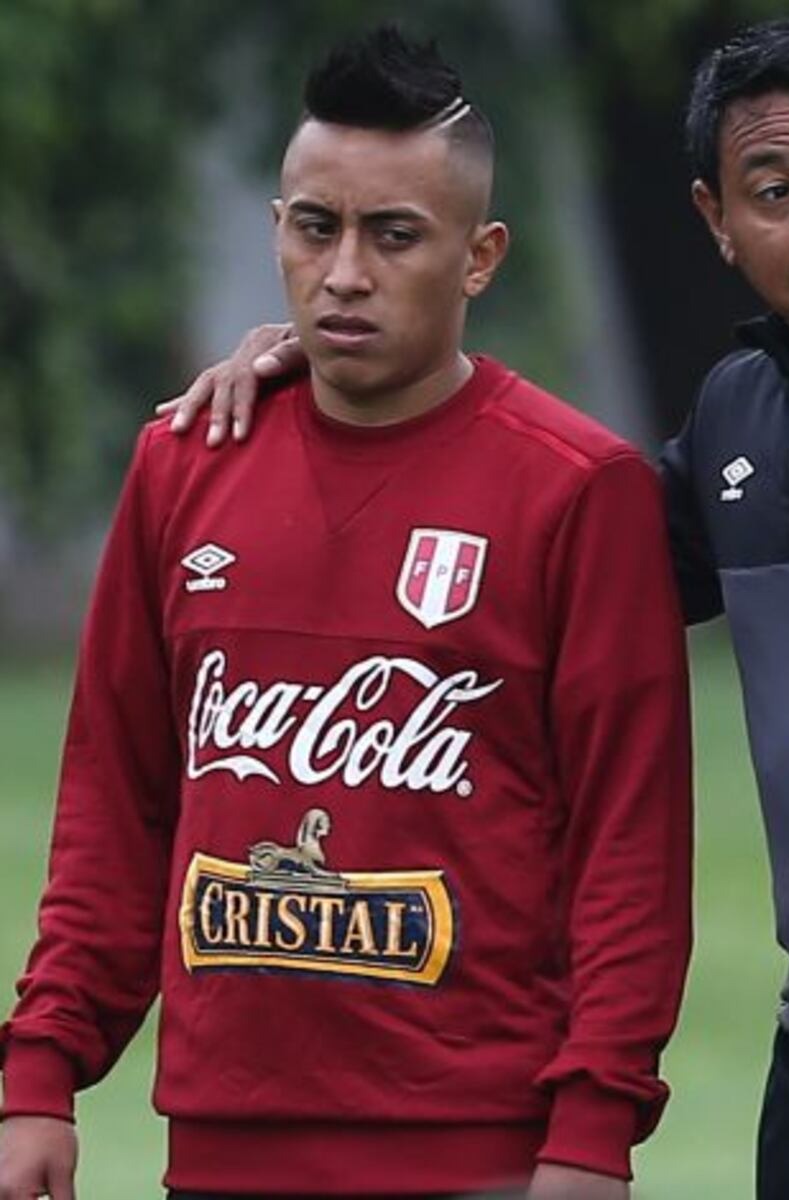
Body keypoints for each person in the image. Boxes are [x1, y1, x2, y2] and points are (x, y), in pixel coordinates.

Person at [154, 11, 789, 1199]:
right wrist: (335, 384)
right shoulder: (737, 420)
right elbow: (532, 544)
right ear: (714, 219)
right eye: (774, 188)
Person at [0, 26, 692, 1200]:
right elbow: (116, 802)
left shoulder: (579, 490)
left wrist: (593, 1132)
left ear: (480, 258)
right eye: (316, 227)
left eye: (394, 235)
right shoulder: (184, 462)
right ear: (277, 228)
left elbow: (630, 848)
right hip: (220, 1145)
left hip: (483, 1152)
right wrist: (37, 1079)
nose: (346, 273)